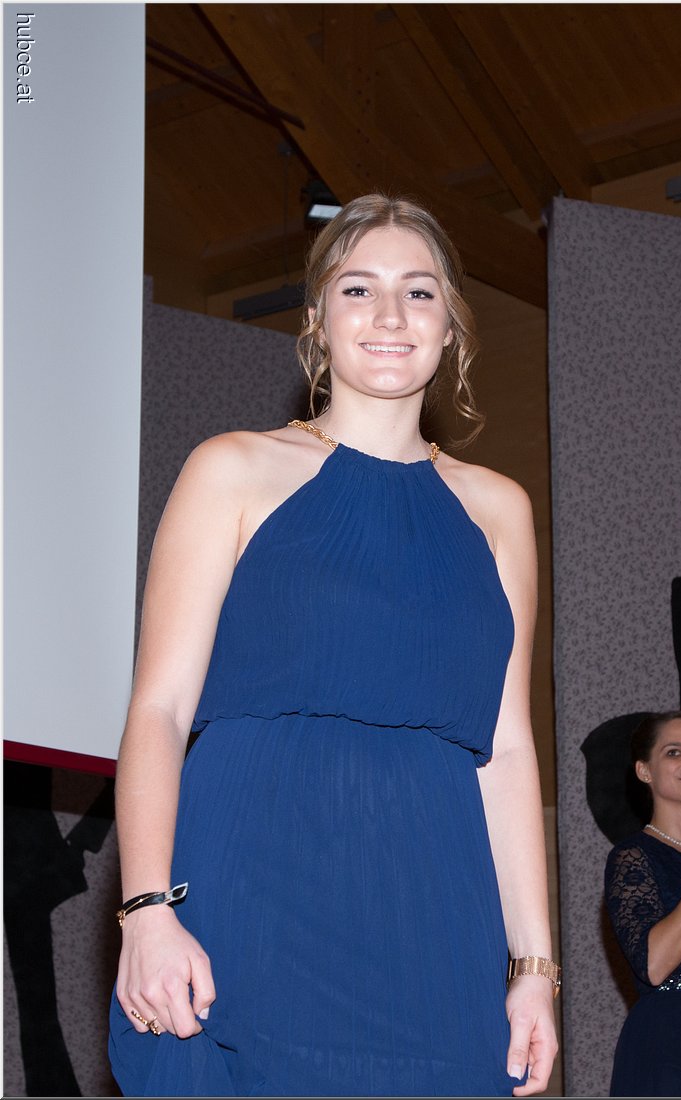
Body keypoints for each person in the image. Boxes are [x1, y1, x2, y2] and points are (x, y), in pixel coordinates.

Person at [108, 193, 559, 1097]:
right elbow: (158, 709)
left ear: (450, 326)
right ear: (317, 319)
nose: (390, 315)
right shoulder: (233, 469)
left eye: (418, 292)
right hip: (247, 899)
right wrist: (146, 911)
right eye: (359, 289)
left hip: (434, 921)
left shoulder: (498, 510)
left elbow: (507, 750)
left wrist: (533, 970)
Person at [604, 710, 681, 1097]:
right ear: (644, 771)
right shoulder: (632, 857)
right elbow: (654, 965)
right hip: (672, 1046)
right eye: (674, 752)